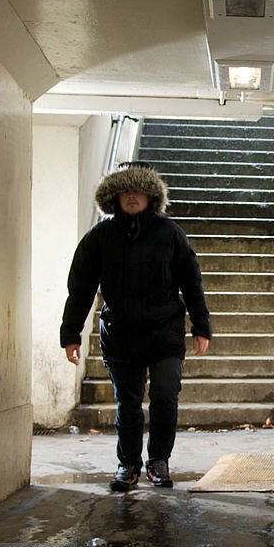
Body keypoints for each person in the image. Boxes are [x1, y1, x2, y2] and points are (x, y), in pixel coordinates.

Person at [60, 161, 211, 492]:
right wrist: (70, 333)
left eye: (138, 191)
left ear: (150, 197)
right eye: (125, 191)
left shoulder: (170, 234)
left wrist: (201, 326)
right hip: (121, 333)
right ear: (114, 198)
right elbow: (81, 288)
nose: (132, 197)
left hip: (164, 332)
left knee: (165, 397)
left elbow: (192, 281)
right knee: (127, 403)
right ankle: (128, 464)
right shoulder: (99, 238)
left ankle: (159, 461)